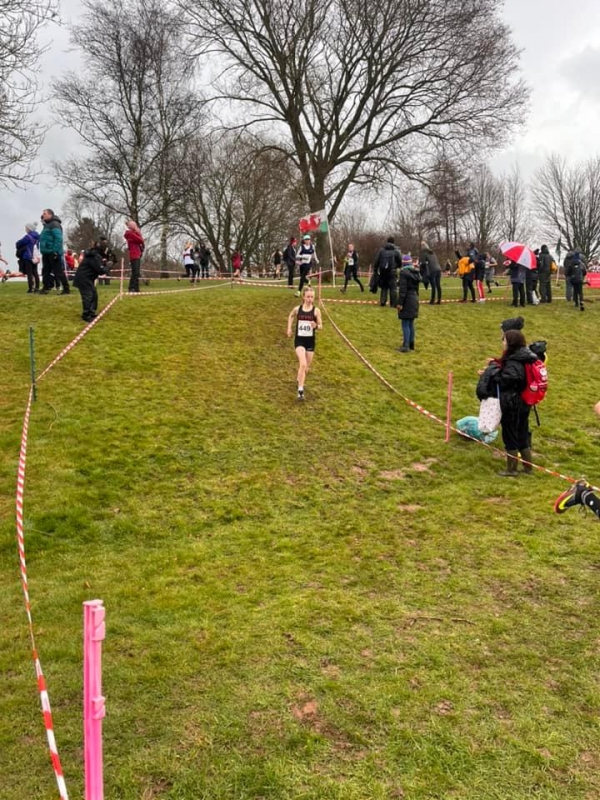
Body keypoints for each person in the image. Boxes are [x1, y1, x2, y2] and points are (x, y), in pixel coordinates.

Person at [493, 329, 538, 477]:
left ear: (511, 342)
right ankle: (528, 467)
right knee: (522, 433)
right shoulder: (526, 357)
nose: (502, 342)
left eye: (504, 339)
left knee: (510, 434)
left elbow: (511, 379)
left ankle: (511, 469)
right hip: (525, 402)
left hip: (513, 402)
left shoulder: (514, 361)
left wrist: (496, 376)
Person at [286, 286, 323, 400]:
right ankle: (300, 390)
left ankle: (299, 378)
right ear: (303, 297)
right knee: (303, 364)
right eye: (308, 297)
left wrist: (316, 326)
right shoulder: (298, 309)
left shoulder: (316, 311)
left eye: (312, 297)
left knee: (306, 368)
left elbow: (321, 326)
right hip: (299, 341)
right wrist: (289, 328)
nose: (310, 299)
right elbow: (291, 316)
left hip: (310, 342)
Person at [73, 242, 107, 323]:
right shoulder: (94, 257)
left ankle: (91, 312)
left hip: (87, 278)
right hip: (83, 279)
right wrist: (108, 266)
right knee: (88, 296)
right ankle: (86, 315)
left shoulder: (93, 255)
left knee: (94, 295)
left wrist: (104, 264)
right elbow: (100, 270)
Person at [39, 209, 69, 294]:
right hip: (46, 252)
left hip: (53, 252)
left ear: (50, 214)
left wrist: (55, 251)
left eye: (44, 213)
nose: (43, 215)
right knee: (45, 271)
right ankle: (46, 287)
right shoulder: (46, 226)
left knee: (58, 271)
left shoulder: (55, 225)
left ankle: (66, 288)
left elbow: (58, 239)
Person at [396, 254, 421, 352]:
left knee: (405, 323)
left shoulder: (403, 273)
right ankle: (411, 344)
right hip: (414, 299)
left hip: (407, 300)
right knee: (411, 323)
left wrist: (400, 303)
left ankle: (405, 346)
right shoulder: (416, 273)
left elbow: (403, 290)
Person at [371, 237, 401, 307]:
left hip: (383, 271)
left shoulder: (381, 250)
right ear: (394, 243)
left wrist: (375, 269)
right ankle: (393, 303)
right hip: (392, 271)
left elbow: (376, 260)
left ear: (387, 242)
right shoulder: (396, 251)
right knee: (393, 288)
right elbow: (400, 261)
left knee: (384, 287)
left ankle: (382, 301)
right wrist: (397, 266)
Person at [15, 223, 41, 293]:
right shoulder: (38, 237)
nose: (25, 229)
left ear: (29, 229)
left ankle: (31, 288)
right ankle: (37, 287)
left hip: (28, 256)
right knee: (35, 272)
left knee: (29, 273)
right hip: (35, 257)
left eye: (26, 228)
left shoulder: (27, 237)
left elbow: (18, 243)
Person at [124, 220, 144, 292]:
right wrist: (138, 232)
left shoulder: (132, 234)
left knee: (136, 272)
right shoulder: (131, 234)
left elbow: (141, 240)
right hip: (134, 254)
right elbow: (141, 240)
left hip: (137, 254)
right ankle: (132, 287)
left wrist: (137, 232)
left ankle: (136, 288)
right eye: (135, 226)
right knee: (135, 272)